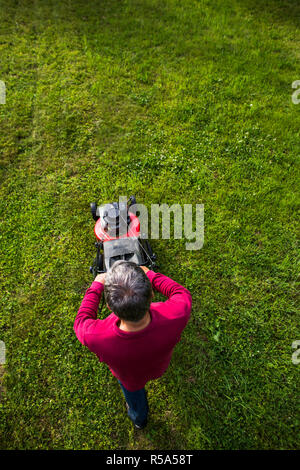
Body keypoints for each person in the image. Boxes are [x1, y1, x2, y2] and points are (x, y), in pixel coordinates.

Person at [74, 260, 192, 430]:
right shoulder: (176, 315)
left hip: (130, 379)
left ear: (109, 307)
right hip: (159, 367)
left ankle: (139, 420)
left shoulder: (96, 336)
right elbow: (181, 293)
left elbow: (81, 321)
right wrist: (151, 275)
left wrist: (96, 286)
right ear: (152, 294)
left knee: (134, 398)